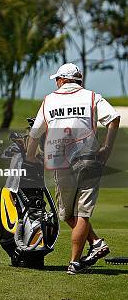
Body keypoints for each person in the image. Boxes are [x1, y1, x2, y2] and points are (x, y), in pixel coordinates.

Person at [26, 63, 120, 274]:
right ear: (78, 80)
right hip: (90, 159)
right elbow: (114, 120)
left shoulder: (49, 100)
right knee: (78, 214)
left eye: (56, 80)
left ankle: (75, 262)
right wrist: (106, 149)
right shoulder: (92, 96)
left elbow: (34, 133)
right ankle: (96, 243)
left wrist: (31, 156)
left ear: (61, 80)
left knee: (69, 213)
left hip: (61, 162)